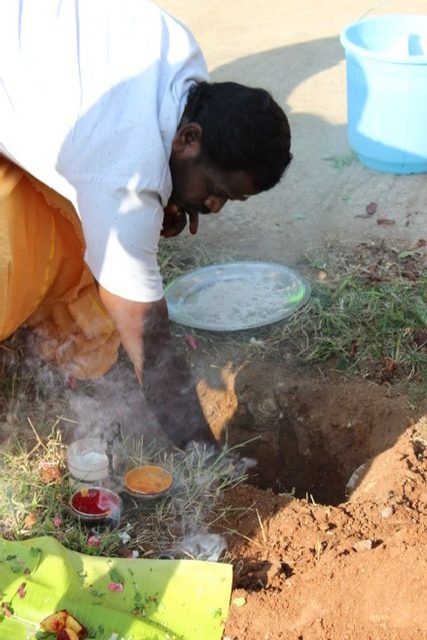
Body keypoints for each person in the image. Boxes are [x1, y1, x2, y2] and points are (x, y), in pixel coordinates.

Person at [0, 0, 292, 447]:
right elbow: (152, 352)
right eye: (215, 190)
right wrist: (206, 458)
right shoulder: (127, 179)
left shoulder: (182, 57)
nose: (213, 207)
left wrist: (174, 194)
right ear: (189, 138)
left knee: (88, 242)